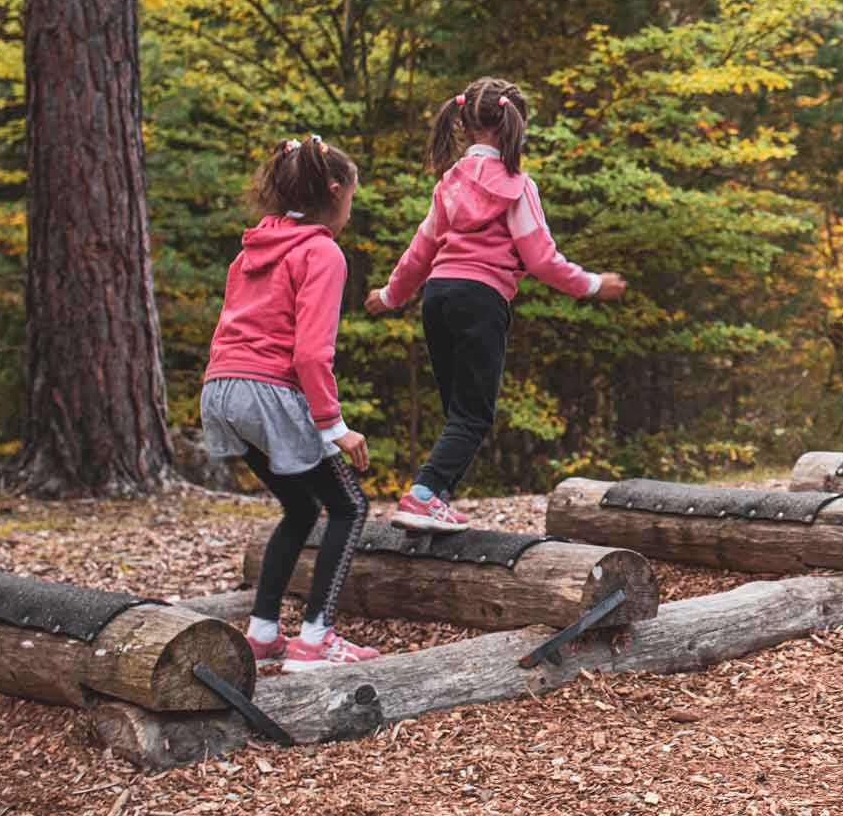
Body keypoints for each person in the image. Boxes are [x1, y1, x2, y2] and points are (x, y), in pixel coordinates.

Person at [366, 76, 625, 531]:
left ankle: (436, 499)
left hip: (437, 297)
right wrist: (590, 285)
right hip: (480, 299)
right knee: (473, 415)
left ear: (463, 126)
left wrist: (390, 295)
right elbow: (541, 258)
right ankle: (424, 494)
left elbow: (420, 251)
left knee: (458, 412)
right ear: (514, 126)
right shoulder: (516, 186)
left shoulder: (449, 184)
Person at [201, 135, 381, 671]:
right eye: (352, 196)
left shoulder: (251, 249)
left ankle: (261, 633)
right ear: (335, 191)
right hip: (268, 392)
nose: (351, 208)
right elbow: (310, 353)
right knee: (349, 506)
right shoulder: (322, 252)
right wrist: (334, 426)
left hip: (222, 389)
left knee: (301, 506)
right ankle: (316, 638)